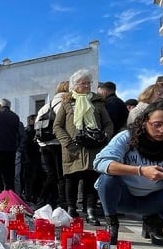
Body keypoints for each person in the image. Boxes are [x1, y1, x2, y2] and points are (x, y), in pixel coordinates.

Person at [93, 101, 163, 246]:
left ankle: (154, 221)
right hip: (123, 197)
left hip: (155, 200)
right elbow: (101, 162)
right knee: (107, 177)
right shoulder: (126, 137)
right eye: (157, 124)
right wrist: (140, 170)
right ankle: (111, 223)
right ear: (144, 122)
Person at [53, 69, 113, 226]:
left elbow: (108, 124)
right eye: (83, 83)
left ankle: (90, 211)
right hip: (72, 149)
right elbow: (57, 126)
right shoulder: (66, 102)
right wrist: (67, 142)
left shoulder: (98, 102)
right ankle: (71, 210)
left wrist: (105, 137)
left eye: (89, 83)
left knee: (91, 180)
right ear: (74, 85)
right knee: (71, 180)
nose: (87, 86)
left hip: (94, 148)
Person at [36, 81, 69, 209]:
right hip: (56, 142)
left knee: (51, 174)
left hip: (44, 143)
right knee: (61, 175)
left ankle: (43, 200)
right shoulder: (63, 103)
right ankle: (62, 204)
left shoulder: (46, 105)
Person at [22, 114, 42, 204]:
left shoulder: (28, 130)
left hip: (30, 158)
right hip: (31, 158)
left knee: (30, 178)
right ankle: (30, 195)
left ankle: (30, 195)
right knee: (31, 178)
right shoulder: (30, 131)